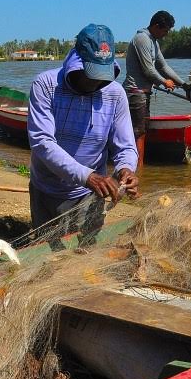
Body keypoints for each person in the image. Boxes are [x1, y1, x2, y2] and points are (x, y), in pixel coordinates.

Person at [28, 24, 139, 249]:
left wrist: (126, 169)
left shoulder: (115, 94)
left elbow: (125, 146)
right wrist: (88, 176)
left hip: (90, 196)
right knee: (47, 257)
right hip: (47, 190)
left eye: (103, 76)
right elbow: (42, 142)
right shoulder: (46, 85)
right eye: (92, 75)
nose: (97, 83)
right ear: (76, 61)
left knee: (86, 254)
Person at [123, 10, 185, 168]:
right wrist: (165, 82)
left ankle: (139, 166)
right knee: (139, 133)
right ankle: (138, 169)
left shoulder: (154, 42)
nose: (166, 34)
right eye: (165, 30)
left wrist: (184, 85)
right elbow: (148, 70)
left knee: (142, 131)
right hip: (135, 92)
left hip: (144, 93)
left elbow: (163, 66)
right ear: (156, 26)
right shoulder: (142, 39)